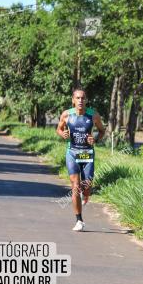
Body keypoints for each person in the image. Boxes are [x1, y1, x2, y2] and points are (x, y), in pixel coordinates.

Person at [57, 88, 106, 232]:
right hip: (72, 153)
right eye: (77, 98)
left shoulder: (93, 115)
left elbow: (102, 130)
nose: (80, 101)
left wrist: (95, 139)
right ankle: (79, 220)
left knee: (86, 186)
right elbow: (59, 129)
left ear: (86, 100)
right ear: (73, 100)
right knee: (75, 186)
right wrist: (63, 134)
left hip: (87, 154)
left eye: (83, 98)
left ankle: (86, 195)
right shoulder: (66, 115)